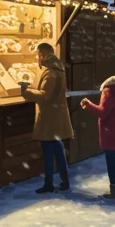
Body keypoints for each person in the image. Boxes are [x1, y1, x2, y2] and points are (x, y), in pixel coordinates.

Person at [20, 42, 72, 194]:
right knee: (58, 151)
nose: (37, 58)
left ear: (43, 55)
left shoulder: (50, 73)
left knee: (49, 154)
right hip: (55, 119)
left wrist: (26, 91)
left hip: (49, 119)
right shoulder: (57, 70)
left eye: (38, 55)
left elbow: (45, 95)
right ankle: (64, 180)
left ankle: (49, 183)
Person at [81, 74, 115, 198]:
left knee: (111, 160)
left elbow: (103, 112)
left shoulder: (107, 91)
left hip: (110, 131)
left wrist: (88, 105)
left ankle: (114, 188)